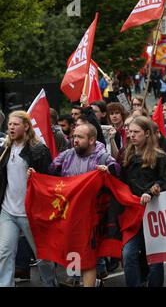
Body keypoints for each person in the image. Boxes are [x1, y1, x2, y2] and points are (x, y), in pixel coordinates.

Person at [48, 123, 119, 287]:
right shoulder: (66, 155)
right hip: (70, 215)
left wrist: (107, 171)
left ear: (92, 139)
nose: (75, 140)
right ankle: (76, 281)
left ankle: (89, 282)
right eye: (74, 137)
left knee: (87, 258)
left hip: (92, 217)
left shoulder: (102, 157)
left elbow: (117, 170)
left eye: (80, 137)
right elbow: (50, 171)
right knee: (72, 250)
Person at [0, 111, 56, 287]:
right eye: (9, 124)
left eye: (16, 124)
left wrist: (36, 175)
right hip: (8, 210)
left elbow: (50, 179)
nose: (11, 127)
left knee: (43, 256)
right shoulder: (5, 149)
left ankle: (50, 284)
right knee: (4, 252)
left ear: (26, 126)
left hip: (31, 212)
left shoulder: (38, 149)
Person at [121, 116, 166, 287]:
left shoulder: (159, 156)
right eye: (130, 132)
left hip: (152, 213)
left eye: (136, 132)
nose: (132, 135)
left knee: (154, 258)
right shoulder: (126, 154)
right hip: (132, 214)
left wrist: (153, 190)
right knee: (128, 254)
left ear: (147, 133)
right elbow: (120, 182)